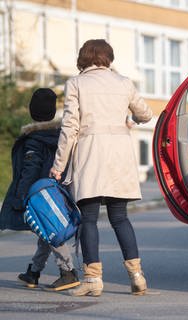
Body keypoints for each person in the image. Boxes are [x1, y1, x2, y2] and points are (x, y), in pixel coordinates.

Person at [49, 39, 153, 297]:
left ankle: (93, 279)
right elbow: (146, 114)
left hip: (90, 155)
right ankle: (137, 275)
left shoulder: (76, 84)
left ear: (84, 58)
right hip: (119, 156)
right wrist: (130, 121)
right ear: (108, 58)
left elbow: (70, 127)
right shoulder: (124, 82)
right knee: (120, 218)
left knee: (89, 219)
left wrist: (58, 165)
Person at [0, 88, 80, 291]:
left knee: (50, 230)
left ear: (32, 111)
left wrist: (20, 196)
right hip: (58, 190)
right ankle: (33, 272)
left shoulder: (35, 140)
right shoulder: (59, 136)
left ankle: (68, 271)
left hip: (38, 193)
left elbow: (30, 169)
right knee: (45, 231)